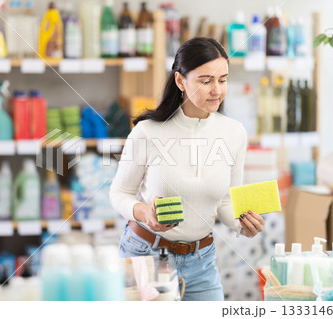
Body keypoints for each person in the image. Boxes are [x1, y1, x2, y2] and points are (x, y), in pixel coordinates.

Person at [109, 37, 265, 301]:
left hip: (201, 262)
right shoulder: (148, 132)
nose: (217, 90)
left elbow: (227, 200)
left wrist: (243, 224)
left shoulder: (234, 133)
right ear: (181, 81)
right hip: (148, 256)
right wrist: (146, 212)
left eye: (223, 79)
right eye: (206, 81)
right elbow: (119, 193)